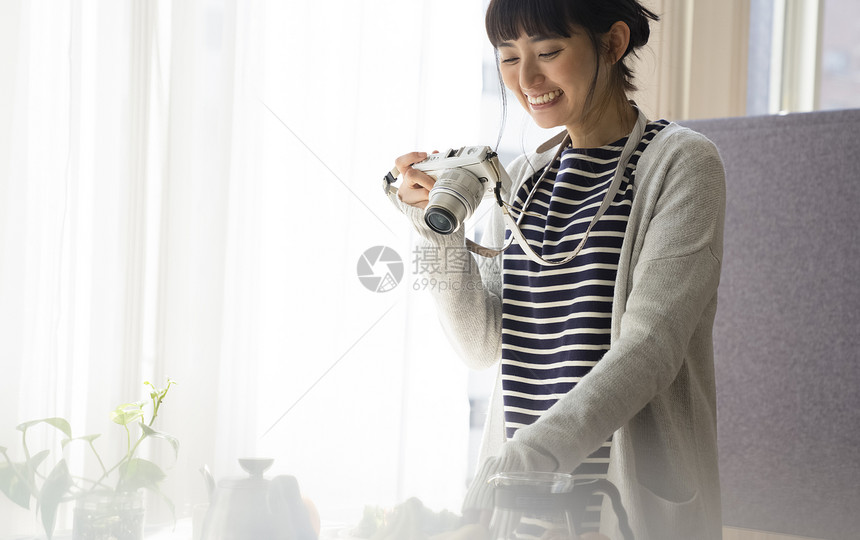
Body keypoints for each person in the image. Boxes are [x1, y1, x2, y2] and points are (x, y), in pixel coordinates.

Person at [387, 1, 725, 539]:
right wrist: (437, 228)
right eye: (507, 58)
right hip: (527, 512)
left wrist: (526, 457)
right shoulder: (522, 179)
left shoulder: (681, 164)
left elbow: (650, 350)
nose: (526, 79)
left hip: (622, 509)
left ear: (612, 44)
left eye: (548, 52)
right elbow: (481, 343)